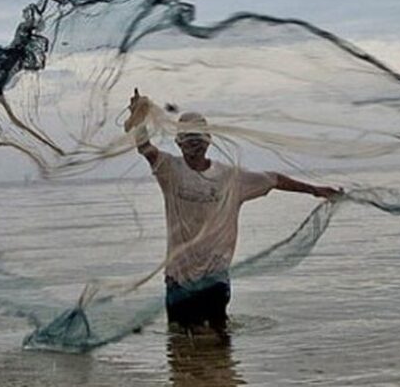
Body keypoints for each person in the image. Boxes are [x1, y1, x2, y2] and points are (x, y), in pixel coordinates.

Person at [124, 88, 340, 331]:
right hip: (178, 279)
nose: (194, 146)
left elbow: (275, 179)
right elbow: (145, 148)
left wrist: (315, 190)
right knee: (179, 340)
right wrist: (138, 118)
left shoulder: (230, 178)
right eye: (188, 140)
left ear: (208, 141)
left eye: (198, 139)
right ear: (179, 143)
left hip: (215, 277)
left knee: (219, 338)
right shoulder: (170, 170)